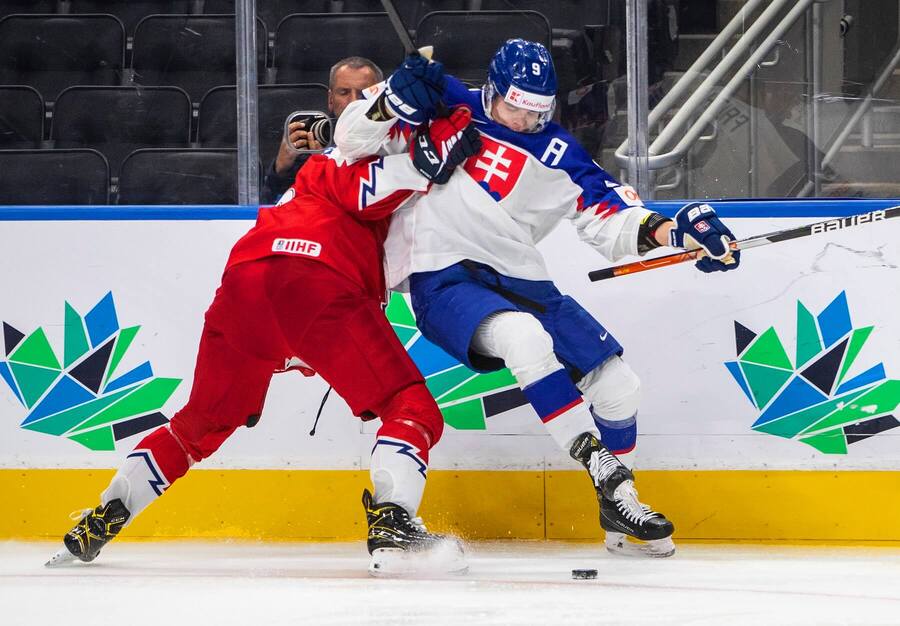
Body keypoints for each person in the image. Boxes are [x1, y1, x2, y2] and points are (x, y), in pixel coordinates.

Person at [47, 55, 482, 576]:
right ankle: (392, 525)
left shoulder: (324, 159)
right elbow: (389, 179)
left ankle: (101, 519)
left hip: (244, 281)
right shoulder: (346, 160)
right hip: (315, 283)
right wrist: (433, 148)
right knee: (410, 406)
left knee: (198, 425)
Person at [339, 39, 741, 558]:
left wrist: (676, 232)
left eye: (539, 110)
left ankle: (620, 517)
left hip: (522, 279)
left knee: (621, 387)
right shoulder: (439, 101)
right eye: (517, 108)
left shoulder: (559, 153)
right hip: (443, 276)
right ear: (493, 89)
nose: (528, 120)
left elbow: (611, 218)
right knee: (524, 339)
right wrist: (389, 100)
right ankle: (601, 468)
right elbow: (349, 142)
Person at [261, 56, 383, 204]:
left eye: (363, 94)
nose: (353, 102)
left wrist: (325, 165)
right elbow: (269, 208)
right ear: (331, 100)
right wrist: (279, 170)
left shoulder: (396, 142)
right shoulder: (306, 147)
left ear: (380, 98)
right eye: (344, 93)